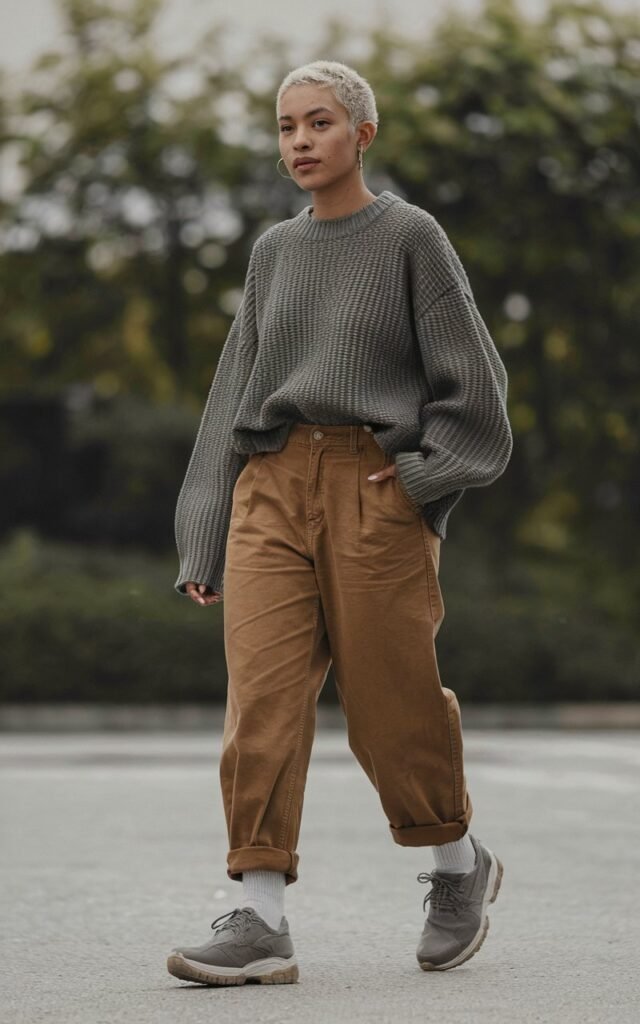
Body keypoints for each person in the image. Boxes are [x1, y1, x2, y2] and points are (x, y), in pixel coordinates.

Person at [167, 59, 512, 987]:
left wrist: (416, 485)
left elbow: (475, 391)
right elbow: (232, 394)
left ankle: (454, 863)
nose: (300, 142)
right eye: (286, 128)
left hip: (373, 486)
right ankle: (259, 911)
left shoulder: (411, 238)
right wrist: (204, 529)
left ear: (363, 132)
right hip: (271, 488)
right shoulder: (274, 252)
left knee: (390, 705)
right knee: (262, 706)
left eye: (319, 122)